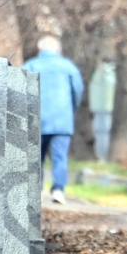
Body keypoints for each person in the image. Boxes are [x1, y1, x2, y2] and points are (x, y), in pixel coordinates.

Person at [25, 35, 85, 205]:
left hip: (36, 119)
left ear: (40, 50)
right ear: (58, 50)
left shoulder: (31, 65)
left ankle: (35, 191)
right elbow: (77, 91)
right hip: (62, 120)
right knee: (60, 157)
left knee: (36, 157)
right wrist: (71, 109)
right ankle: (58, 190)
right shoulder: (68, 67)